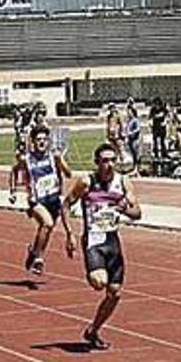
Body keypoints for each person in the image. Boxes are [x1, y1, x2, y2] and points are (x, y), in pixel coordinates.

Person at [58, 142, 141, 350]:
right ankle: (93, 271)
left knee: (115, 293)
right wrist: (69, 234)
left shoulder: (123, 182)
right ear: (97, 163)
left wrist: (123, 208)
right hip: (94, 240)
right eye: (105, 161)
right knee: (99, 282)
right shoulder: (87, 182)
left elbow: (137, 213)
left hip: (112, 241)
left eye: (113, 160)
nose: (110, 164)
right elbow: (66, 205)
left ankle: (93, 330)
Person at [18, 126, 74, 276]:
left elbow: (69, 174)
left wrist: (61, 160)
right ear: (33, 141)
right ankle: (39, 259)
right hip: (36, 201)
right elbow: (14, 171)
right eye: (38, 140)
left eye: (44, 139)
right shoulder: (26, 159)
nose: (42, 142)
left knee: (46, 230)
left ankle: (34, 251)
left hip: (53, 199)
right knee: (47, 223)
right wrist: (13, 191)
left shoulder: (53, 157)